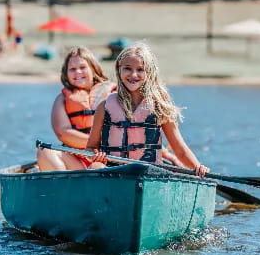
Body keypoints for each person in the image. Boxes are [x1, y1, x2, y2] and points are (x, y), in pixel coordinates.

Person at [86, 42, 210, 176]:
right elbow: (91, 147)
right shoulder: (104, 106)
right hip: (112, 168)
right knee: (94, 167)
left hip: (148, 170)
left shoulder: (159, 107)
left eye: (140, 70)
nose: (133, 74)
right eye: (127, 68)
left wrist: (197, 167)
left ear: (149, 73)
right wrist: (96, 156)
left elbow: (179, 149)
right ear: (119, 69)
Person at [36, 46, 117, 171]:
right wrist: (93, 143)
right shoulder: (62, 99)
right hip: (75, 159)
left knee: (96, 167)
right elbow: (63, 132)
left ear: (93, 69)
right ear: (66, 74)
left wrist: (102, 147)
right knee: (45, 152)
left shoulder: (113, 95)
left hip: (104, 158)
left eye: (82, 67)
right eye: (72, 69)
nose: (78, 72)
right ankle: (63, 187)